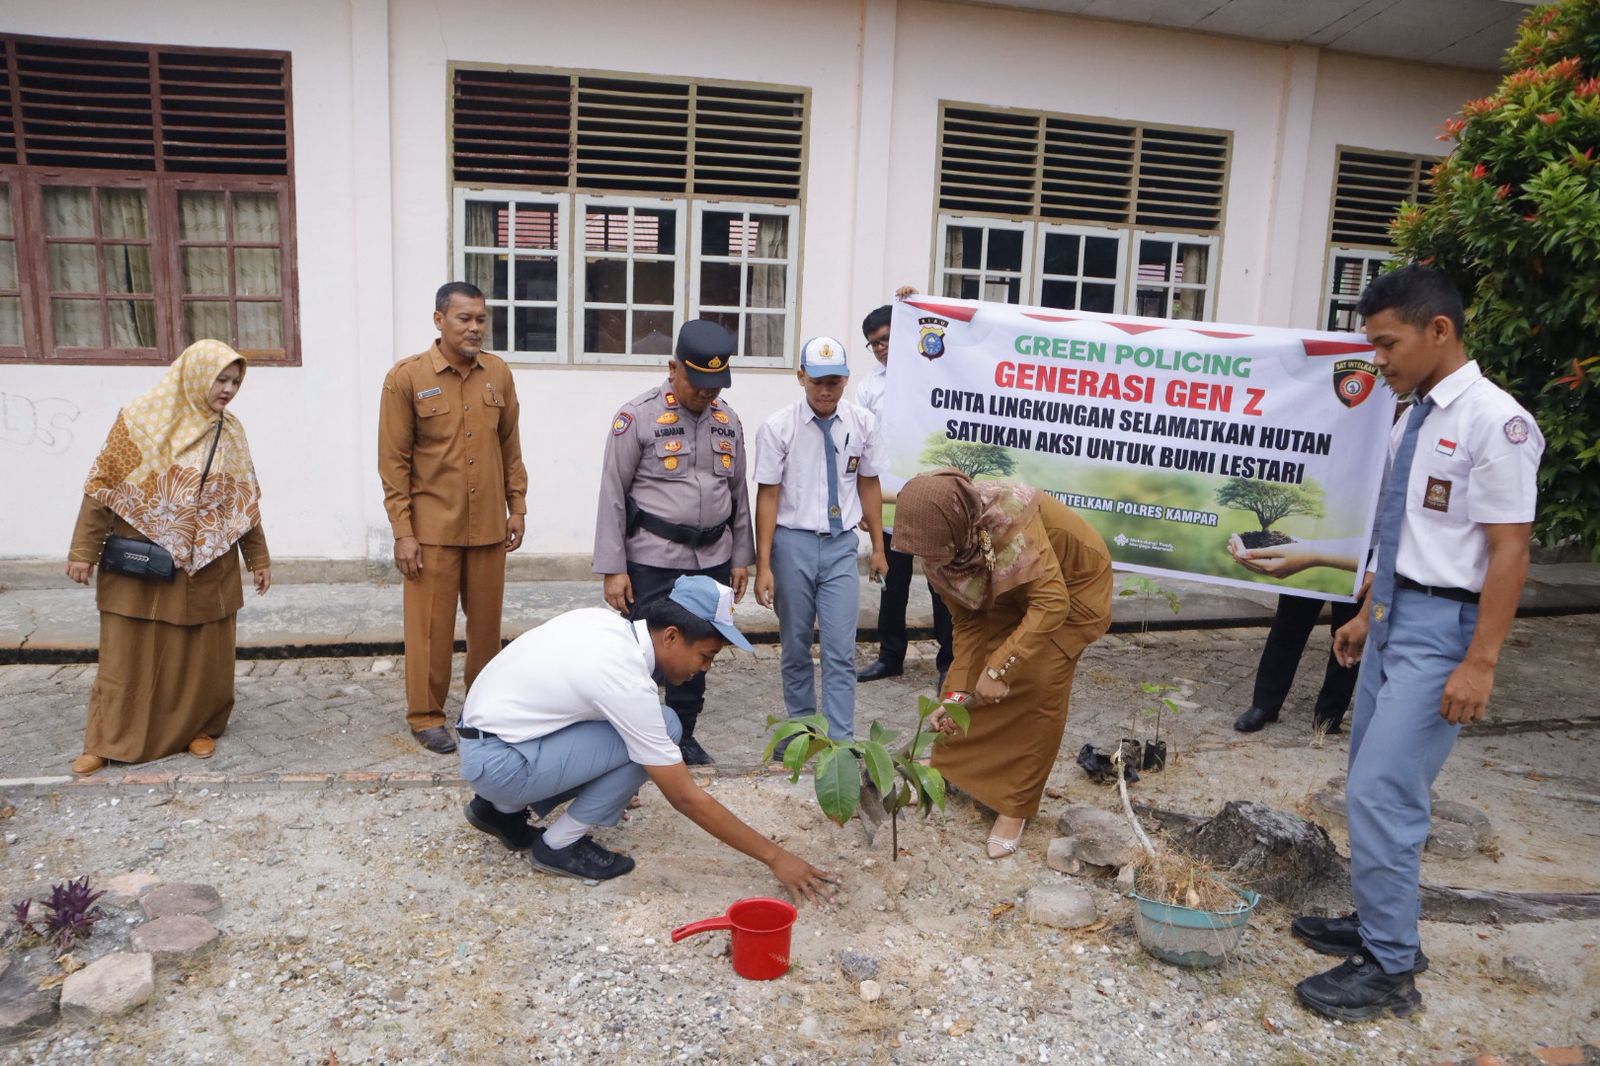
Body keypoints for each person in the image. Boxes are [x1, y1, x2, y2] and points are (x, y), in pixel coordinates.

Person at [1291, 265, 1542, 1021]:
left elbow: (1510, 551)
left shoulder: (1496, 423)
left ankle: (1392, 970)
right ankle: (1377, 923)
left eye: (1386, 342)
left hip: (1447, 633)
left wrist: (1481, 662)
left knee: (1382, 793)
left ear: (1440, 330)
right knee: (1371, 777)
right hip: (1397, 618)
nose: (1377, 359)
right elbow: (1405, 533)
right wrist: (1369, 611)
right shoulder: (1413, 416)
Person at [456, 575, 836, 901]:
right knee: (664, 728)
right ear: (671, 636)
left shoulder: (603, 625)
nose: (703, 669)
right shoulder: (624, 677)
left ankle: (497, 812)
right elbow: (685, 796)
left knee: (650, 730)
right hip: (500, 763)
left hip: (488, 740)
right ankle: (558, 845)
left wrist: (610, 786)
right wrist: (775, 857)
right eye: (706, 656)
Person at [65, 340, 272, 775]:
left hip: (207, 563)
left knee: (200, 655)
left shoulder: (229, 430)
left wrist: (259, 559)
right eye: (221, 378)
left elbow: (243, 501)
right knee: (126, 652)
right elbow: (103, 485)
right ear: (194, 374)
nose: (229, 389)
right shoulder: (139, 420)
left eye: (235, 381)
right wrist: (83, 550)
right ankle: (106, 740)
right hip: (141, 559)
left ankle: (198, 728)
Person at [892, 470, 1112, 858]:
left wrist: (999, 669)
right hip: (1013, 592)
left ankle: (1014, 806)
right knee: (964, 686)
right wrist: (959, 695)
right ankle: (945, 770)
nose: (931, 558)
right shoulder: (943, 549)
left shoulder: (1007, 518)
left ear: (958, 523)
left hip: (1072, 589)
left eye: (935, 548)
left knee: (1040, 681)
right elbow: (968, 625)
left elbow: (1051, 603)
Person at [594, 319, 755, 765]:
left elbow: (739, 493)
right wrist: (614, 567)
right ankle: (638, 738)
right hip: (653, 558)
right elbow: (612, 493)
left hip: (713, 558)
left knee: (699, 645)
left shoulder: (729, 420)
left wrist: (742, 557)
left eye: (714, 386)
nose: (706, 394)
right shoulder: (638, 416)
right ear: (672, 367)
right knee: (647, 650)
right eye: (698, 383)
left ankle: (683, 733)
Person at [378, 282, 528, 755]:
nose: (475, 328)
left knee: (486, 630)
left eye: (481, 319)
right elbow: (393, 463)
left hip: (487, 527)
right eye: (464, 318)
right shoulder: (405, 378)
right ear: (439, 320)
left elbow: (510, 447)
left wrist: (517, 506)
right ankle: (426, 716)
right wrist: (404, 533)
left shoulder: (498, 374)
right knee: (430, 631)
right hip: (431, 532)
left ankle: (481, 711)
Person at [754, 336, 888, 742]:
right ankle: (802, 733)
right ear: (801, 378)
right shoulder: (779, 427)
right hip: (791, 544)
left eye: (834, 381)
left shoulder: (862, 423)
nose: (826, 390)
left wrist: (879, 547)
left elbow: (868, 483)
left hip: (840, 546)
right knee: (795, 646)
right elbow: (768, 495)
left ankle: (840, 741)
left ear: (846, 379)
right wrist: (763, 565)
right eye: (817, 382)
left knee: (840, 649)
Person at [853, 299, 955, 690]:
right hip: (889, 497)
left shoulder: (934, 370)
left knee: (939, 582)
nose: (881, 347)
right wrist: (864, 503)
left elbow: (954, 335)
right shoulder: (868, 387)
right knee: (890, 582)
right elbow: (859, 445)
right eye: (874, 343)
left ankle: (949, 661)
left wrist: (914, 302)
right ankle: (890, 656)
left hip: (931, 497)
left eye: (887, 338)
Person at [1230, 593, 1360, 734]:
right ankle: (1264, 705)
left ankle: (1330, 714)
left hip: (1360, 575)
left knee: (1349, 636)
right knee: (1289, 621)